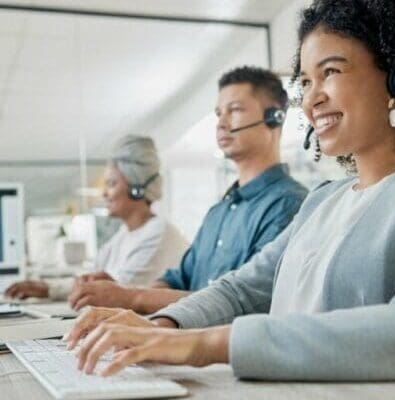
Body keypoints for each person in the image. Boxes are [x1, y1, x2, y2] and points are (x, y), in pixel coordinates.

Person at [64, 0, 395, 387]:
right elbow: (241, 292)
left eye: (330, 71)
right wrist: (159, 328)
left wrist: (206, 344)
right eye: (306, 82)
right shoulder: (323, 201)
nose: (312, 99)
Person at [66, 66, 308, 312]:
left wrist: (133, 297)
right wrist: (124, 292)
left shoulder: (289, 205)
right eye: (218, 113)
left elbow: (247, 304)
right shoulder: (219, 212)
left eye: (234, 110)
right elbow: (178, 279)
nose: (221, 124)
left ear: (274, 118)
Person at [5, 135, 189, 300]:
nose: (104, 193)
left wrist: (55, 289)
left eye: (111, 184)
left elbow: (118, 293)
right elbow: (93, 277)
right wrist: (47, 288)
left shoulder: (158, 233)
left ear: (137, 189)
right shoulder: (126, 233)